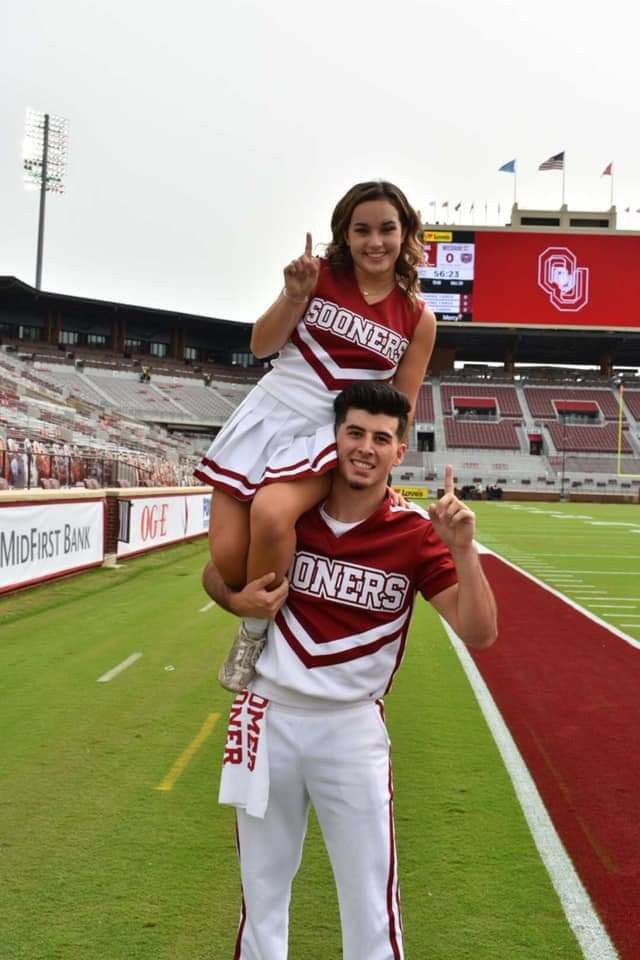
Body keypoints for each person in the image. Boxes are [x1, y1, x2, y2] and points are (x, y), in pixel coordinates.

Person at [202, 382, 497, 960]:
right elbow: (218, 573)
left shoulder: (414, 535)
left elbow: (480, 632)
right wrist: (237, 603)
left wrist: (464, 549)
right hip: (268, 716)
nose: (366, 447)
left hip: (350, 728)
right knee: (261, 897)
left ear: (400, 451)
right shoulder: (290, 515)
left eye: (381, 438)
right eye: (355, 432)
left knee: (369, 905)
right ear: (334, 439)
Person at [195, 180, 437, 692]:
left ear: (406, 233)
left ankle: (254, 634)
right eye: (362, 230)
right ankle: (245, 601)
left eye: (387, 229)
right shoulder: (318, 276)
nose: (376, 241)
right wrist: (293, 295)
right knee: (227, 561)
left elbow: (403, 403)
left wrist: (385, 459)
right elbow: (262, 345)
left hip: (329, 435)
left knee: (272, 513)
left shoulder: (417, 316)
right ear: (344, 235)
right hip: (269, 413)